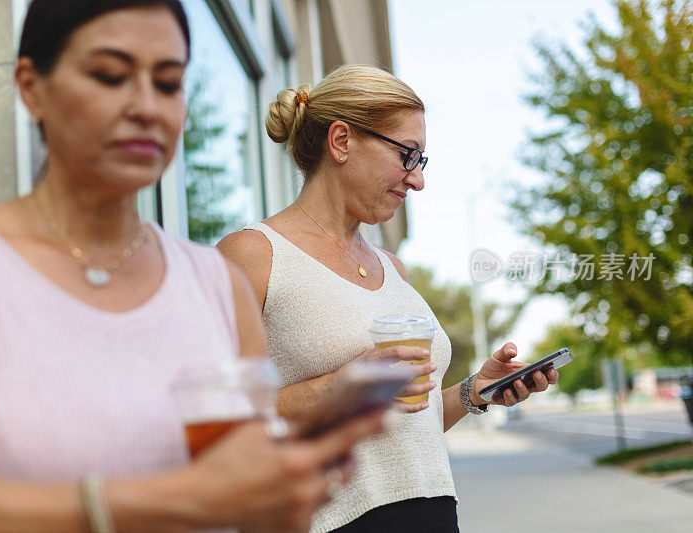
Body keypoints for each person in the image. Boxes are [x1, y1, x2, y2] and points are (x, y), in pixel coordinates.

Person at [0, 3, 385, 532]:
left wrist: (293, 482)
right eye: (110, 75)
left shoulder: (217, 286)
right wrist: (148, 503)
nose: (147, 107)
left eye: (169, 83)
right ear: (32, 87)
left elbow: (248, 504)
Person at [217, 65, 561, 533]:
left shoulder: (393, 269)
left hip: (433, 513)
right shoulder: (252, 255)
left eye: (421, 161)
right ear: (341, 141)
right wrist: (336, 388)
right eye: (408, 155)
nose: (417, 181)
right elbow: (208, 414)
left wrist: (475, 390)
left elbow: (405, 429)